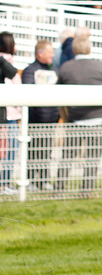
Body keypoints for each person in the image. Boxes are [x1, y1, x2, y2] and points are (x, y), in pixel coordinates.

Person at [56, 33, 102, 193]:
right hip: (97, 119)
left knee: (67, 157)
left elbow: (57, 91)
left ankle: (59, 188)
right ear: (89, 49)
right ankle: (86, 191)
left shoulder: (65, 67)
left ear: (74, 50)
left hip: (74, 120)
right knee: (92, 159)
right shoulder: (100, 66)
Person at [21, 40, 60, 191]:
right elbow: (28, 92)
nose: (52, 55)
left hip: (51, 119)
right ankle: (29, 181)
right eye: (49, 52)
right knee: (32, 152)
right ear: (40, 53)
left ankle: (43, 180)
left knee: (46, 151)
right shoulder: (31, 70)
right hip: (35, 120)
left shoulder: (55, 70)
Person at [0, 32, 21, 194]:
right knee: (8, 153)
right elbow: (14, 81)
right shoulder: (6, 63)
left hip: (8, 115)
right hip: (8, 116)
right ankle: (5, 184)